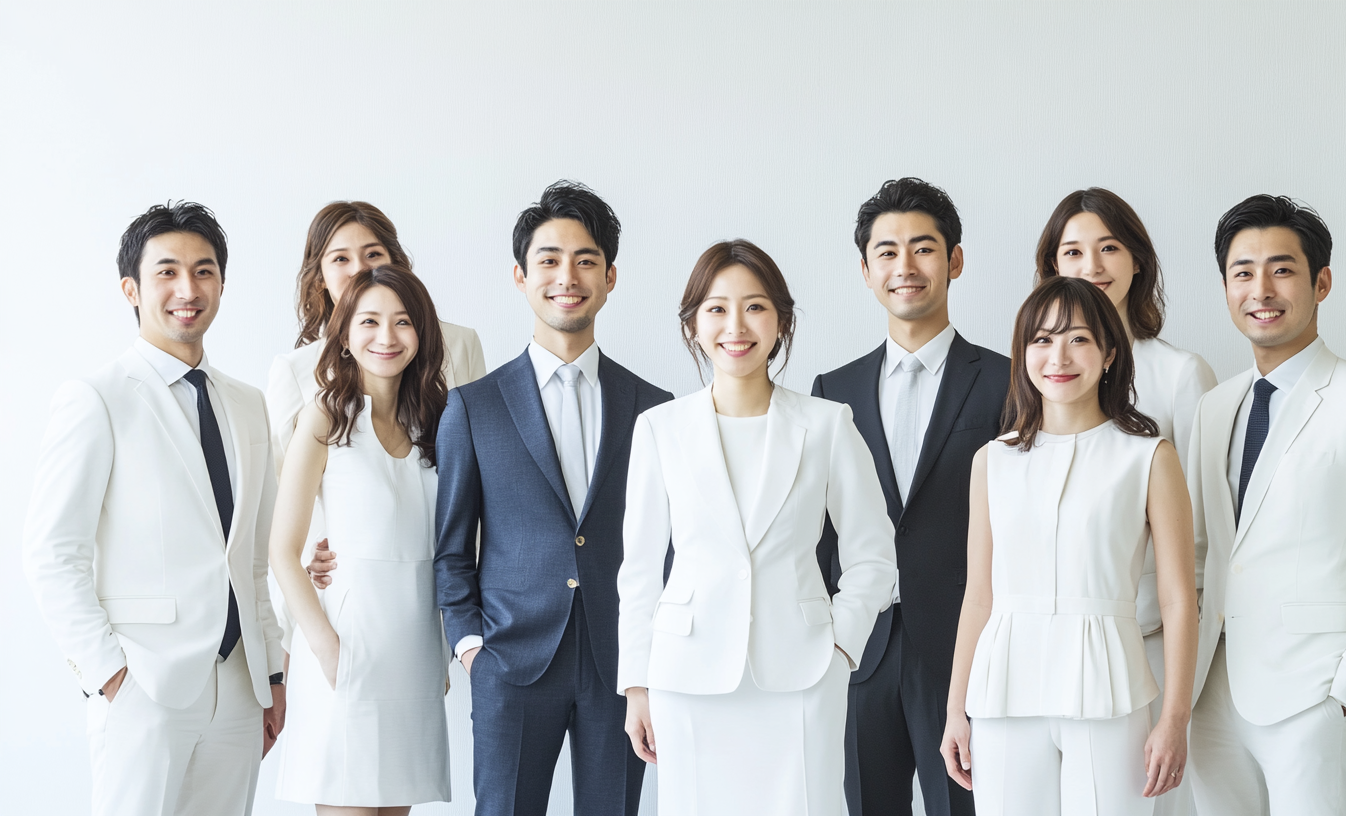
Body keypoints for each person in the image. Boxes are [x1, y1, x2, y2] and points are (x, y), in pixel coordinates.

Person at [22, 202, 286, 816]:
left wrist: (271, 674)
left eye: (204, 271)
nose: (187, 290)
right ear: (131, 289)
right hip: (145, 683)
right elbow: (52, 553)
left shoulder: (248, 404)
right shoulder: (96, 398)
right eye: (167, 272)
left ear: (222, 282)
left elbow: (251, 560)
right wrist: (110, 676)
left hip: (241, 687)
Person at [619, 239, 898, 816]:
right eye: (716, 308)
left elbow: (873, 555)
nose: (735, 325)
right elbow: (640, 569)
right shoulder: (659, 429)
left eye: (755, 306)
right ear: (693, 324)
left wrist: (841, 646)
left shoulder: (827, 424)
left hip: (802, 671)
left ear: (780, 322)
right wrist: (637, 684)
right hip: (687, 676)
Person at [1184, 195, 1346, 816]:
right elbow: (1201, 553)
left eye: (1282, 269)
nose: (1261, 289)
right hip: (1210, 695)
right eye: (1242, 272)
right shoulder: (1214, 407)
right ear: (1225, 287)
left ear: (1321, 282)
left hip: (1312, 694)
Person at [433, 181, 672, 816]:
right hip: (509, 662)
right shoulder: (473, 406)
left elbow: (668, 545)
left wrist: (654, 658)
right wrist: (471, 647)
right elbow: (451, 549)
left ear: (610, 276)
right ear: (520, 275)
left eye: (586, 260)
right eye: (549, 260)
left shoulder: (654, 409)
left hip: (620, 666)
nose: (567, 276)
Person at [940, 276, 1198, 816]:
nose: (1058, 356)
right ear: (1022, 354)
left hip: (1111, 687)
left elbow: (1179, 600)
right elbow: (978, 597)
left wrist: (1176, 716)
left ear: (1108, 354)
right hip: (1004, 689)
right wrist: (954, 710)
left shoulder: (1149, 456)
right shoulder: (993, 460)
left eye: (1078, 339)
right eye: (1041, 339)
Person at [269, 201, 485, 809]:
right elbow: (283, 550)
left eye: (401, 323)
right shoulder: (325, 416)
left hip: (416, 644)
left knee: (396, 806)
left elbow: (459, 531)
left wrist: (447, 646)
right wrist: (325, 650)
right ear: (343, 329)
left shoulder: (435, 422)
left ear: (423, 332)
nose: (385, 338)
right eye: (367, 322)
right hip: (344, 638)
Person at [812, 177, 1009, 816]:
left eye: (923, 249)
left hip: (965, 652)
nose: (905, 267)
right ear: (866, 270)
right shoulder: (831, 390)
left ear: (954, 260)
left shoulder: (1012, 381)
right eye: (887, 252)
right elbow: (819, 531)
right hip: (860, 653)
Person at [1035, 187, 1217, 816]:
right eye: (1074, 251)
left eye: (1109, 247)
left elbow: (1202, 539)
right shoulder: (1043, 379)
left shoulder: (1180, 374)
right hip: (1060, 645)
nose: (1093, 265)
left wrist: (1181, 684)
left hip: (1152, 638)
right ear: (1053, 268)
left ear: (1138, 260)